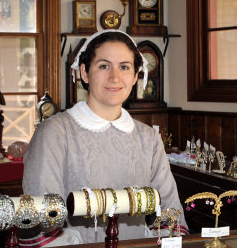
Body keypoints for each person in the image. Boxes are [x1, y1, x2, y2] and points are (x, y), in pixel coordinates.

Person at [21, 29, 188, 245]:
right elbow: (43, 220)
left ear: (136, 75)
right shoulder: (54, 133)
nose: (115, 77)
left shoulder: (148, 138)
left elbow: (170, 213)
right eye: (103, 66)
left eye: (124, 67)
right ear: (84, 72)